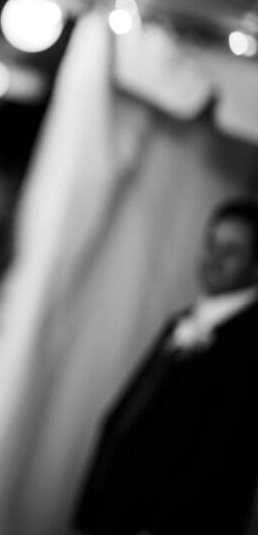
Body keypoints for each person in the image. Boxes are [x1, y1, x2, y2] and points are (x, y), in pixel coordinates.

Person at [75, 198, 258, 535]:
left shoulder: (251, 346)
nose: (213, 259)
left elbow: (225, 462)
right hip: (113, 512)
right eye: (211, 244)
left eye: (231, 251)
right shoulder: (183, 320)